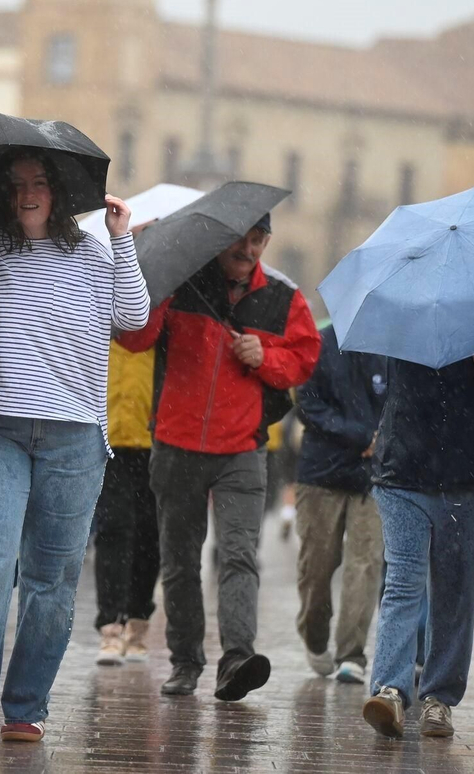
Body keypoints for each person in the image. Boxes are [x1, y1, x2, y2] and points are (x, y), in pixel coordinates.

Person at [0, 154, 147, 743]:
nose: (28, 193)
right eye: (17, 185)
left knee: (51, 580)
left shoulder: (96, 249)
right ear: (3, 194)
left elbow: (132, 317)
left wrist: (122, 237)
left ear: (57, 193)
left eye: (39, 184)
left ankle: (26, 705)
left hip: (75, 436)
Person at [119, 214, 322, 702]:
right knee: (180, 561)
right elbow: (132, 338)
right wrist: (156, 289)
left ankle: (236, 657)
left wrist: (265, 357)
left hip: (242, 449)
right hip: (176, 442)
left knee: (238, 556)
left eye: (258, 240)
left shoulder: (283, 296)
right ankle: (186, 661)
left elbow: (304, 359)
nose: (249, 249)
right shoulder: (179, 281)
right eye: (241, 239)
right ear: (218, 239)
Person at [361, 351, 474, 741]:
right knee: (402, 583)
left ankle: (439, 698)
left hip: (468, 476)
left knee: (456, 589)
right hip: (402, 471)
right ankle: (391, 689)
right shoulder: (404, 305)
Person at [292, 325, 390, 685]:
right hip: (322, 474)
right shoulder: (319, 343)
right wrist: (361, 436)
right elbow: (307, 403)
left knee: (364, 564)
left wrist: (381, 440)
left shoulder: (390, 348)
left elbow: (400, 403)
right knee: (317, 565)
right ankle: (314, 635)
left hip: (373, 477)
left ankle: (352, 653)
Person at [93, 338, 161, 666]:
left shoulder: (162, 329)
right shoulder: (102, 323)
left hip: (155, 444)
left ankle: (138, 621)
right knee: (112, 529)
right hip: (109, 443)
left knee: (150, 535)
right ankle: (110, 625)